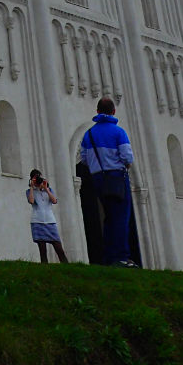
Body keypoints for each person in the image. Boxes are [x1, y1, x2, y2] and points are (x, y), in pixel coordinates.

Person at [78, 96, 136, 266]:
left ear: (97, 112)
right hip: (116, 177)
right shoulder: (118, 132)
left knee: (109, 217)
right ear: (114, 111)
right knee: (120, 217)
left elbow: (83, 158)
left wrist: (98, 167)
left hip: (98, 179)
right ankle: (121, 257)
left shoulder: (88, 134)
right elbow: (127, 157)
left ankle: (109, 257)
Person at [26, 168, 68, 263]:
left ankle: (67, 266)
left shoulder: (49, 190)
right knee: (42, 250)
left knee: (59, 248)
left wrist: (46, 189)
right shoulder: (29, 191)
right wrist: (32, 187)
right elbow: (31, 201)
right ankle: (45, 269)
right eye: (36, 179)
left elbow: (54, 201)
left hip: (50, 221)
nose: (38, 181)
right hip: (37, 221)